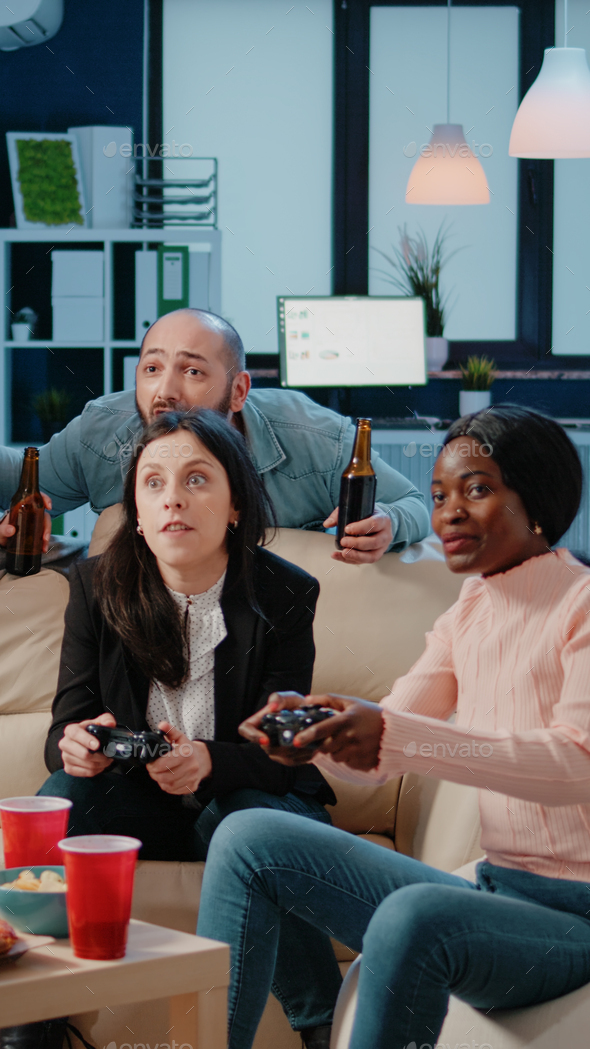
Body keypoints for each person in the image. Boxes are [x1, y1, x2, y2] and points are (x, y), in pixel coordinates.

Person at [196, 405, 590, 1049]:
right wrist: (324, 728)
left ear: (539, 502)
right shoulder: (472, 610)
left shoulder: (581, 605)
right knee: (246, 836)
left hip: (575, 917)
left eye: (478, 489)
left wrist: (394, 735)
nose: (449, 511)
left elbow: (576, 765)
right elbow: (393, 736)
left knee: (414, 913)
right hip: (496, 892)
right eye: (438, 495)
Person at [37, 408, 334, 860]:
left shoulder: (285, 593)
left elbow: (283, 752)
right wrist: (78, 748)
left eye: (196, 479)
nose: (172, 499)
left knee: (244, 819)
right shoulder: (95, 588)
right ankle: (42, 929)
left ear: (235, 502)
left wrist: (208, 760)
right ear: (137, 512)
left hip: (246, 804)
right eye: (153, 482)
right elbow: (64, 730)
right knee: (65, 792)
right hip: (142, 808)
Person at [0, 308, 429, 565]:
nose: (164, 391)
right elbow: (27, 478)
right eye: (152, 369)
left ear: (239, 390)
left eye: (192, 371)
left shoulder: (315, 437)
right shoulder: (103, 428)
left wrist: (389, 525)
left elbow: (411, 503)